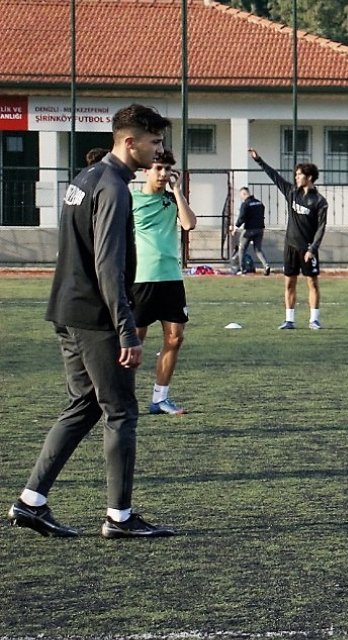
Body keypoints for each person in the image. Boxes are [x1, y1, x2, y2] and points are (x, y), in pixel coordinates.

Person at [8, 103, 178, 539]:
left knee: (84, 405)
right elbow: (107, 264)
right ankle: (119, 517)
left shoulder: (85, 178)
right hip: (95, 316)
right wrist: (126, 329)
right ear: (130, 141)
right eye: (155, 142)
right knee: (121, 411)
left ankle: (31, 502)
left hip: (66, 309)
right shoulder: (115, 188)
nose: (159, 151)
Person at [131, 149, 197, 416]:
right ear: (146, 170)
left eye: (167, 169)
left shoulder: (171, 199)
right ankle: (121, 397)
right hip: (141, 280)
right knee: (133, 343)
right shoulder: (130, 199)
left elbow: (189, 224)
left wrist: (178, 191)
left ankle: (160, 399)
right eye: (158, 168)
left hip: (171, 279)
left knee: (175, 338)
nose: (162, 174)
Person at [249, 148, 327, 330]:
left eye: (300, 174)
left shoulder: (319, 201)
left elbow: (321, 228)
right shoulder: (292, 193)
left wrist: (312, 249)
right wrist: (258, 160)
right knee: (289, 283)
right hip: (290, 246)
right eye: (296, 174)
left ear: (309, 177)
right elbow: (275, 176)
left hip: (308, 249)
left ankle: (314, 320)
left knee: (312, 283)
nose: (296, 177)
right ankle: (289, 320)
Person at [230, 187, 271, 275]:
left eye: (241, 195)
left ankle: (242, 269)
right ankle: (266, 265)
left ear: (244, 194)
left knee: (242, 248)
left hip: (249, 230)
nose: (241, 197)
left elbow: (241, 217)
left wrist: (235, 228)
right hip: (260, 229)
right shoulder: (260, 203)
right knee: (258, 250)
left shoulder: (245, 204)